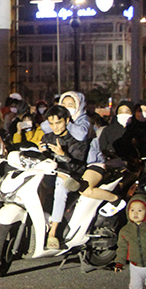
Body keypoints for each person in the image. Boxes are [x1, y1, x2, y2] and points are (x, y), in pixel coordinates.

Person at [41, 105, 89, 249]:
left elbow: (78, 166)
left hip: (71, 175)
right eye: (51, 123)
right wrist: (41, 152)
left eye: (58, 122)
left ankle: (53, 232)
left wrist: (63, 155)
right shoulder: (48, 137)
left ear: (67, 120)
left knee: (60, 186)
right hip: (50, 173)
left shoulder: (78, 139)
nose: (55, 127)